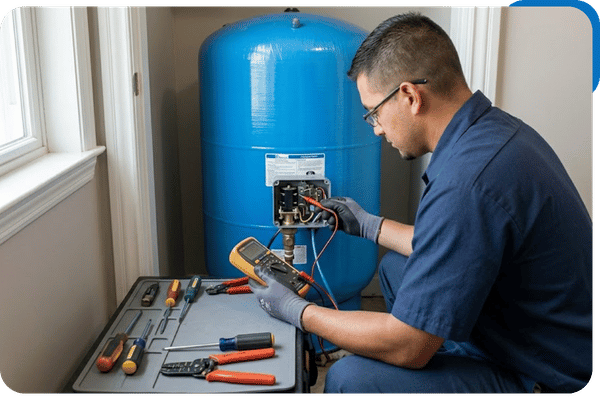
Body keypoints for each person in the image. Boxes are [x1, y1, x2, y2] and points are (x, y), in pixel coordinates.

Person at [249, 12, 593, 394]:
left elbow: (407, 347)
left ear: (410, 96)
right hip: (536, 328)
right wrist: (368, 224)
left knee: (350, 379)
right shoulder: (492, 134)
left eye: (373, 112)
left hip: (550, 374)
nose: (376, 128)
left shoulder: (468, 184)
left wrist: (299, 312)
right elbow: (453, 245)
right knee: (398, 268)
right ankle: (448, 353)